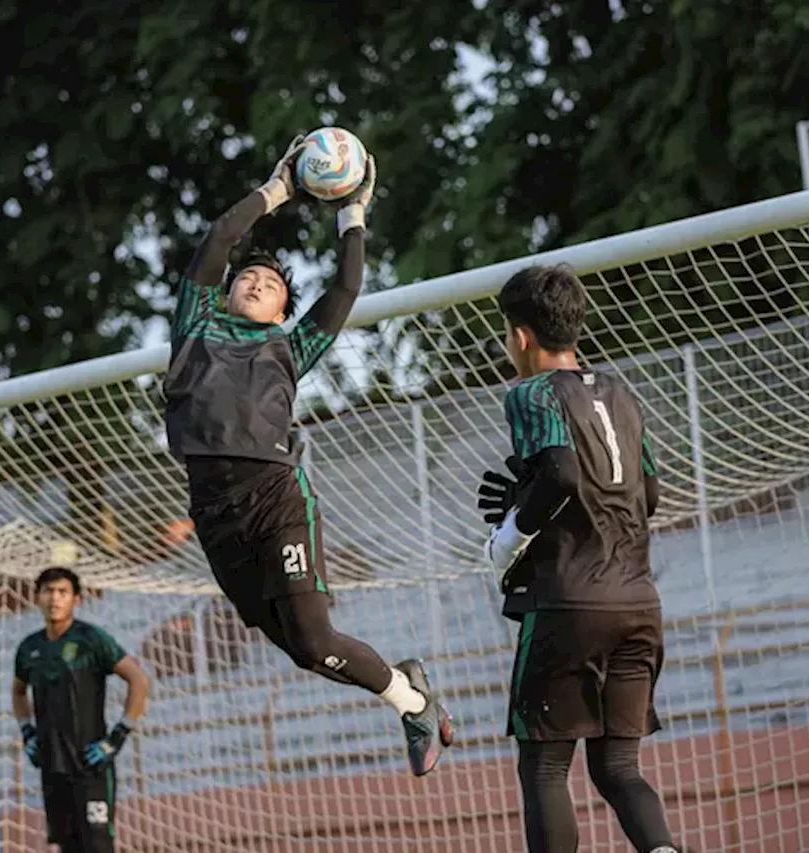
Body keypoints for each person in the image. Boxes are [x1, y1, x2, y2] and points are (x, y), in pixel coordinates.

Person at [162, 135, 453, 776]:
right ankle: (410, 692)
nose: (255, 282)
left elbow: (345, 290)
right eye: (247, 278)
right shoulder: (197, 326)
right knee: (305, 653)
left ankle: (413, 707)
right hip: (214, 515)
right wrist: (277, 190)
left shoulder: (289, 351)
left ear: (284, 311)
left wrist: (353, 214)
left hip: (276, 502)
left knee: (318, 638)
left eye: (269, 284)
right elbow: (217, 241)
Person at [476, 263, 682, 853]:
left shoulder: (533, 393)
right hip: (638, 602)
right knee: (619, 768)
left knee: (544, 769)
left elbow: (562, 473)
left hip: (569, 604)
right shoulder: (621, 391)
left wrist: (509, 536)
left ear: (520, 336)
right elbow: (649, 495)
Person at [12, 568, 151, 853]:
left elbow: (138, 679)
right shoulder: (30, 648)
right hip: (52, 766)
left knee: (98, 845)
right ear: (37, 597)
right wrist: (28, 733)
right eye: (48, 591)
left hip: (91, 766)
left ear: (76, 599)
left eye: (62, 592)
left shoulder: (91, 639)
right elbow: (17, 691)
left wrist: (118, 736)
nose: (54, 598)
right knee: (66, 846)